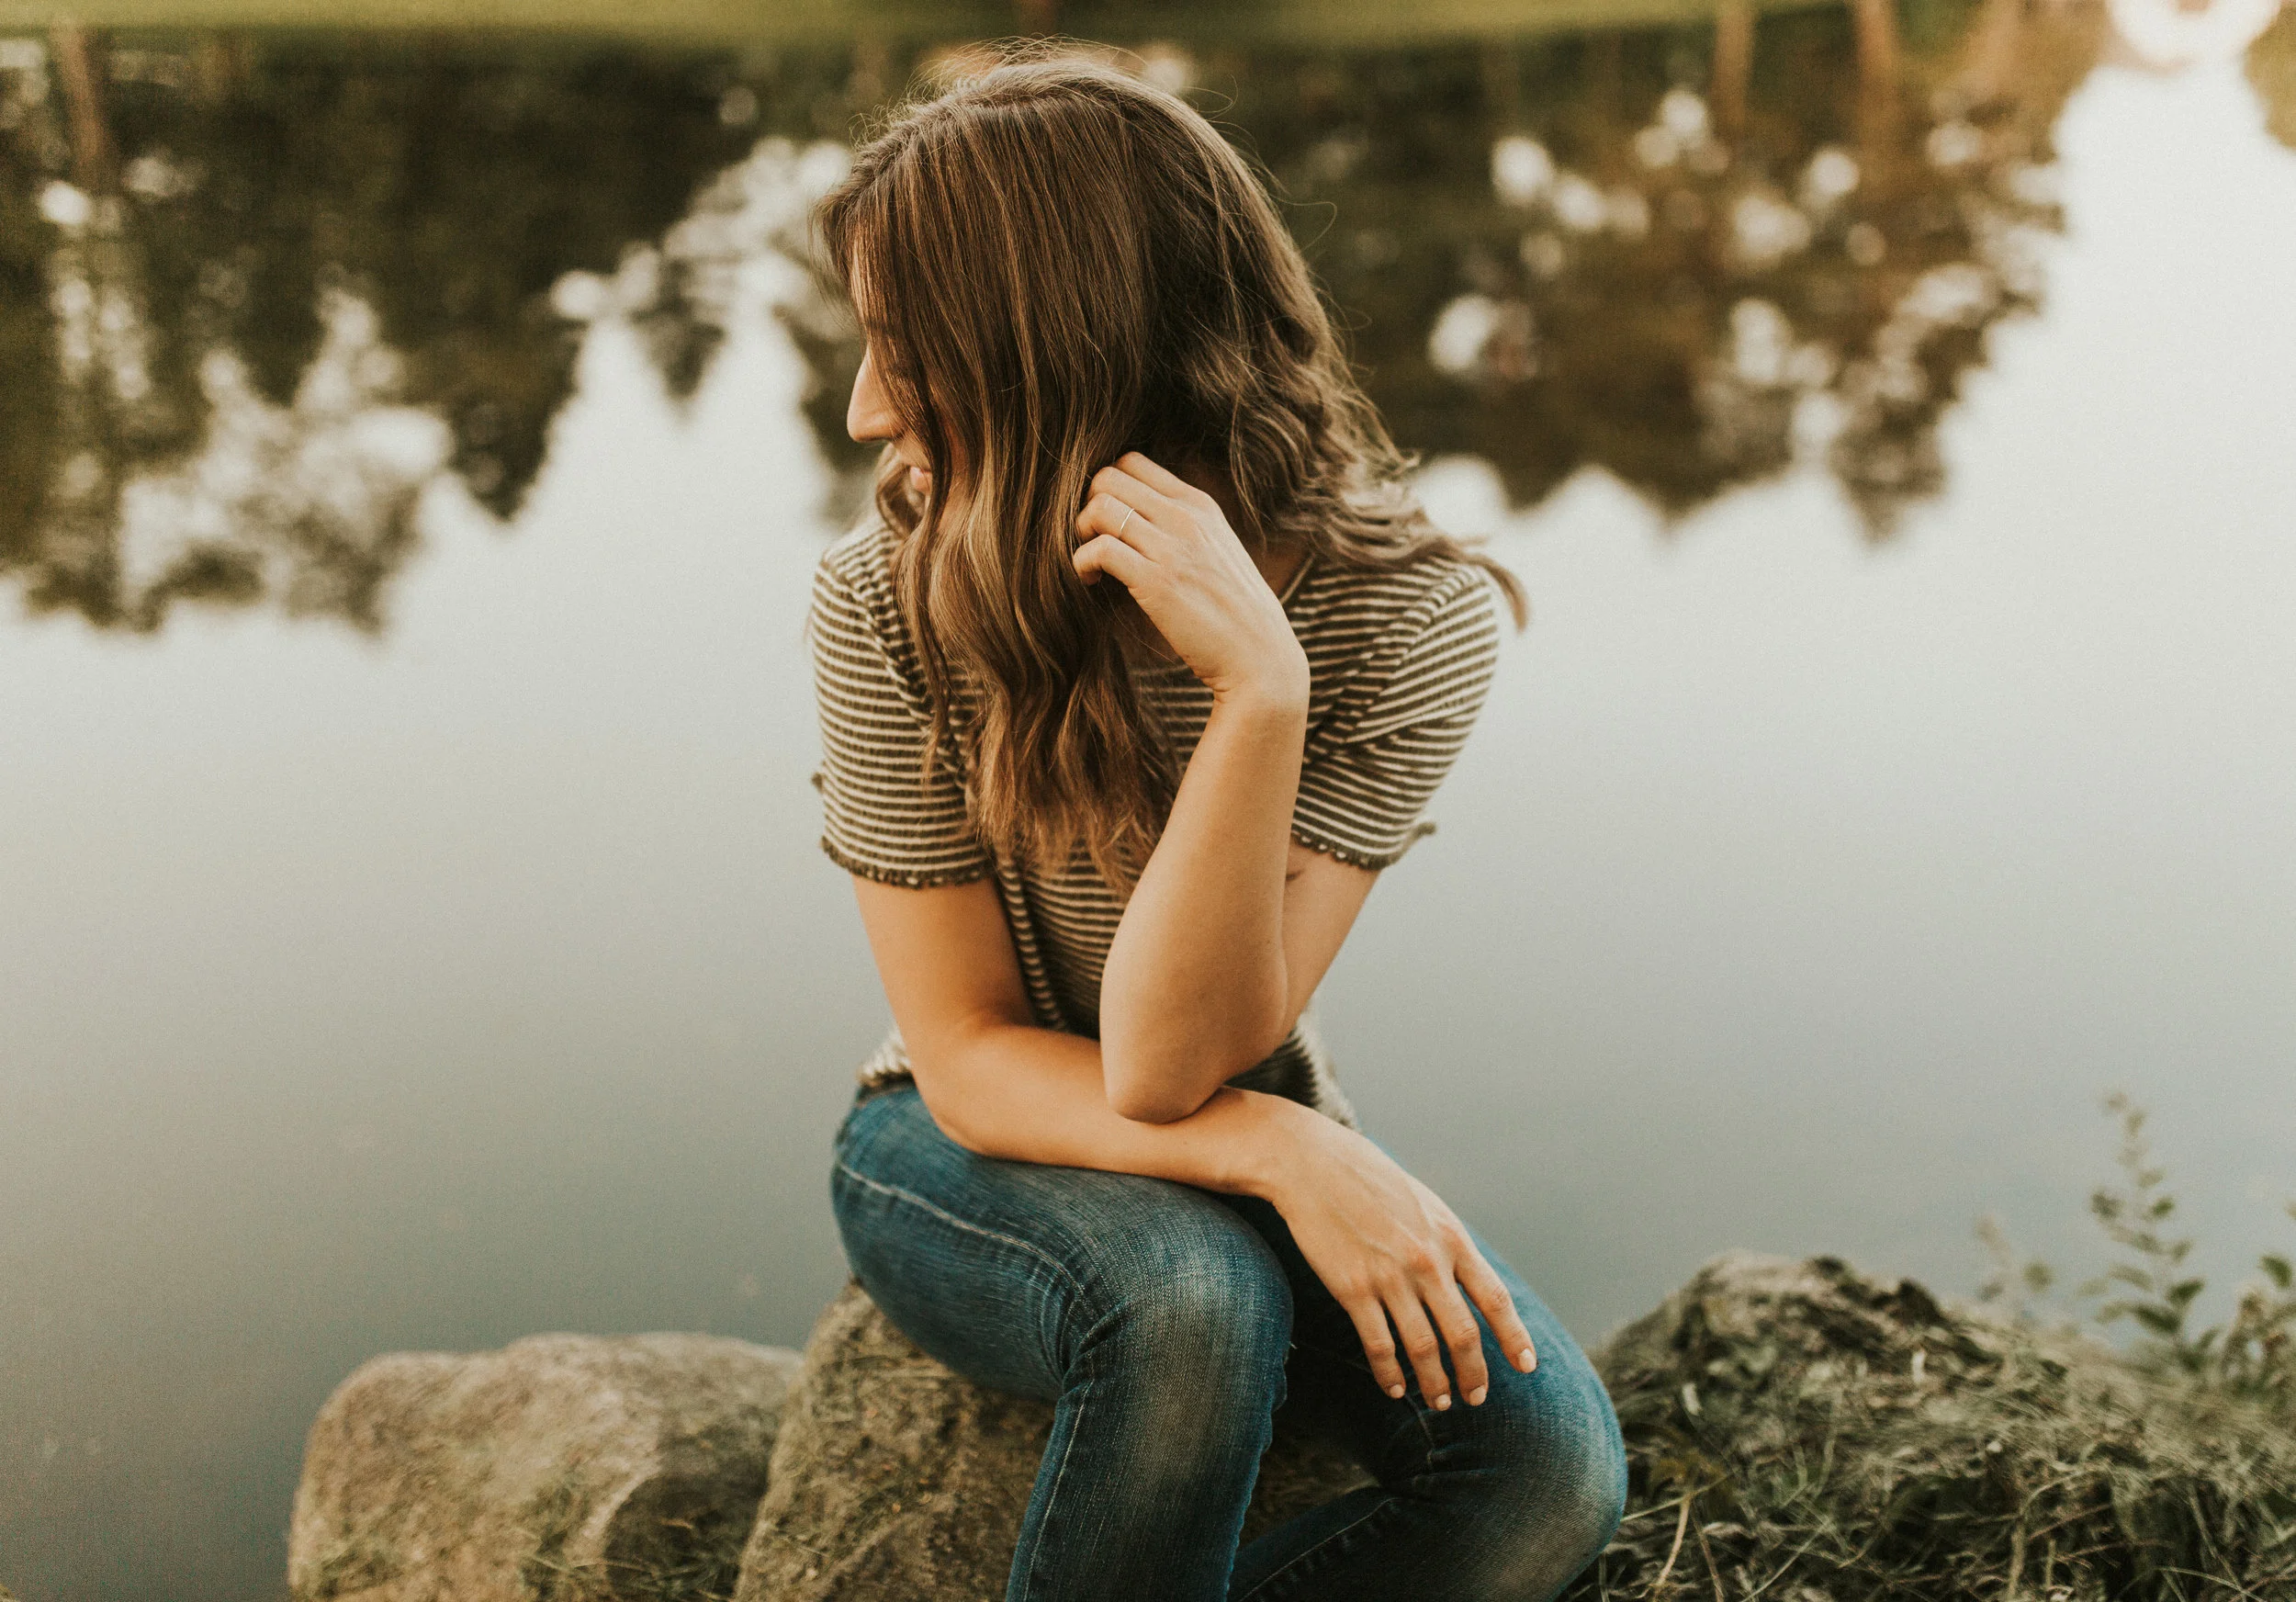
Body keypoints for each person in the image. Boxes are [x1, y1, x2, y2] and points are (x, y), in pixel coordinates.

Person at [805, 51, 1626, 1602]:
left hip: (1215, 1115)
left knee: (1543, 1474)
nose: (863, 411)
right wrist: (1290, 1149)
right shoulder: (885, 597)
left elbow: (1174, 1058)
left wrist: (1259, 696)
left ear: (1061, 353)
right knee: (1188, 1304)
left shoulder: (1408, 617)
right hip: (958, 1137)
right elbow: (971, 1053)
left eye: (907, 352)